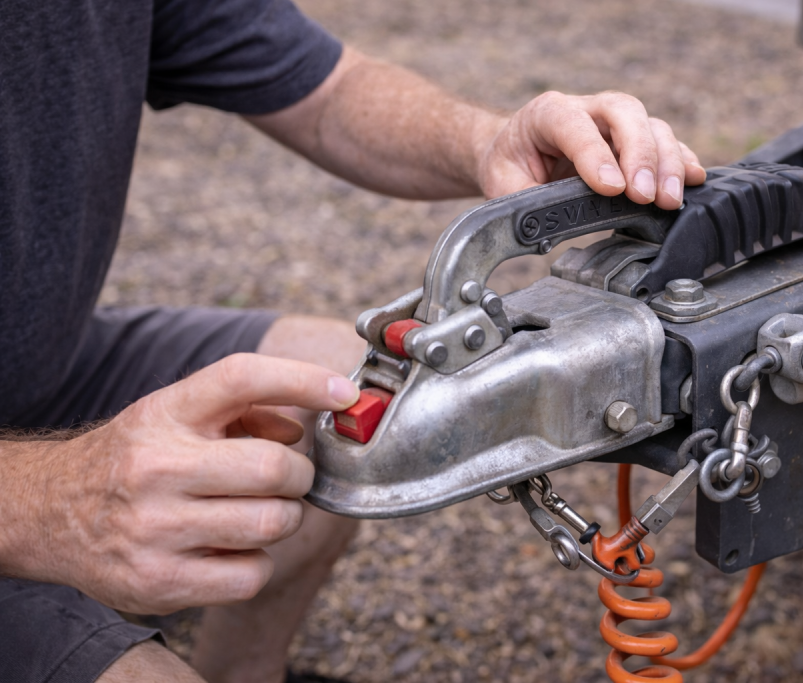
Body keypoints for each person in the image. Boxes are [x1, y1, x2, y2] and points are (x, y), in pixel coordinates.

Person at [0, 1, 706, 682]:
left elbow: (326, 93)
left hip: (43, 367)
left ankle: (245, 672)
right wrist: (47, 500)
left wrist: (490, 140)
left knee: (340, 389)